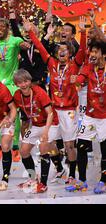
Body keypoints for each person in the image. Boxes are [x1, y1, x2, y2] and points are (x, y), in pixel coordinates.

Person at [25, 17, 86, 184]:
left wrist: (82, 32)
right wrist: (30, 31)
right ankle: (59, 168)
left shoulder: (74, 65)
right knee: (49, 142)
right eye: (59, 49)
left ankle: (72, 174)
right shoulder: (51, 63)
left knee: (70, 146)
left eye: (65, 49)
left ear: (70, 52)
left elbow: (83, 51)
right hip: (54, 112)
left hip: (69, 112)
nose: (62, 51)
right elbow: (39, 46)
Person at [0, 0, 29, 163]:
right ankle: (1, 148)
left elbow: (25, 45)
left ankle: (15, 148)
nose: (0, 29)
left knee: (14, 117)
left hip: (12, 85)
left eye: (3, 27)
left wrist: (25, 44)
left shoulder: (14, 41)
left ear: (7, 28)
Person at [12, 69, 60, 193]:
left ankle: (43, 184)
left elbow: (50, 113)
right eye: (20, 82)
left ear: (30, 81)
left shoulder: (39, 92)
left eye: (26, 81)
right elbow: (12, 109)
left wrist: (45, 132)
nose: (23, 84)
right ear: (16, 84)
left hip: (50, 123)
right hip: (35, 124)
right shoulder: (17, 95)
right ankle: (33, 179)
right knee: (23, 151)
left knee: (44, 148)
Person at [68, 40, 106, 194]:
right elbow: (80, 79)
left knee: (105, 150)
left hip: (105, 117)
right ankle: (82, 181)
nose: (92, 54)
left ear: (103, 54)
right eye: (91, 51)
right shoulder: (89, 67)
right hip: (90, 115)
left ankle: (103, 181)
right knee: (81, 146)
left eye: (95, 52)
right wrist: (75, 80)